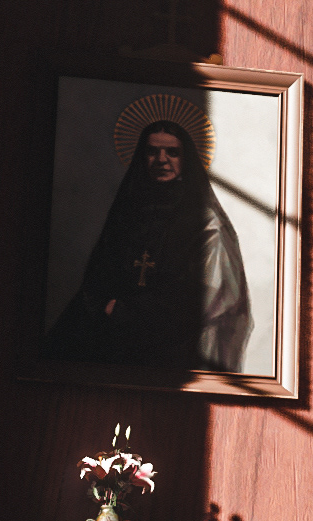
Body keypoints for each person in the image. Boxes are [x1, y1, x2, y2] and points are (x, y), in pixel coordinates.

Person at [46, 119, 251, 371]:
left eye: (172, 152)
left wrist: (130, 312)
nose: (161, 160)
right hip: (114, 336)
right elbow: (98, 274)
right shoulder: (128, 210)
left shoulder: (207, 224)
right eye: (152, 151)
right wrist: (105, 307)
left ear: (185, 159)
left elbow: (208, 295)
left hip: (174, 343)